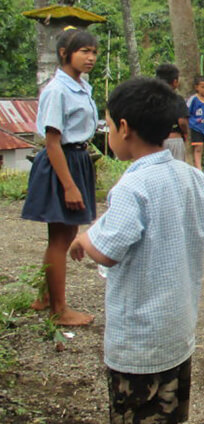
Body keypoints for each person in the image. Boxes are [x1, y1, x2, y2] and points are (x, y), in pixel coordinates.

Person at [68, 77, 204, 424]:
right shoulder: (190, 176)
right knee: (170, 415)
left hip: (138, 342)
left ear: (124, 128)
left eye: (108, 125)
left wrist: (83, 239)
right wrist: (177, 246)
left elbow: (107, 251)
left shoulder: (132, 186)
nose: (108, 133)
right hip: (177, 331)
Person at [21, 28, 100, 326]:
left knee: (64, 235)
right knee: (61, 237)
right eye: (84, 52)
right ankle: (59, 309)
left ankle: (45, 296)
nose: (90, 57)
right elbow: (52, 141)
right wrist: (69, 186)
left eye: (93, 52)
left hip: (76, 159)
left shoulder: (81, 85)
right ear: (65, 53)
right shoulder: (58, 89)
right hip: (61, 162)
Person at [155, 64, 190, 162]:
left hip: (155, 141)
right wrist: (185, 133)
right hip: (173, 139)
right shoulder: (177, 99)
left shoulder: (150, 99)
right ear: (175, 82)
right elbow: (182, 121)